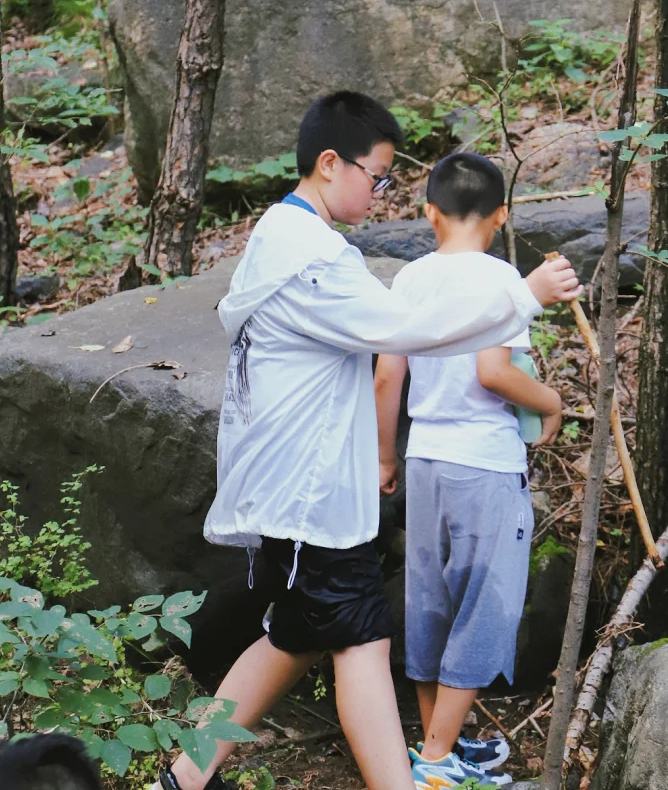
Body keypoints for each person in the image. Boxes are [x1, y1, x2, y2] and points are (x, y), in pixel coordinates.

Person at [156, 92, 581, 790]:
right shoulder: (309, 258)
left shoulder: (291, 239)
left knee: (293, 635)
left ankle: (184, 778)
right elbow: (401, 330)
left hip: (299, 491)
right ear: (330, 163)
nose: (381, 193)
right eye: (376, 175)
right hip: (309, 496)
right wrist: (523, 295)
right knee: (362, 638)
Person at [375, 152, 564, 790]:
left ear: (429, 212)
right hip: (483, 463)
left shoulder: (409, 280)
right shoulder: (502, 280)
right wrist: (552, 403)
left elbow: (387, 375)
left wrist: (384, 456)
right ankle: (432, 764)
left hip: (425, 458)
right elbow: (495, 372)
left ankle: (441, 751)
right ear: (501, 214)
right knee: (486, 608)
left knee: (429, 603)